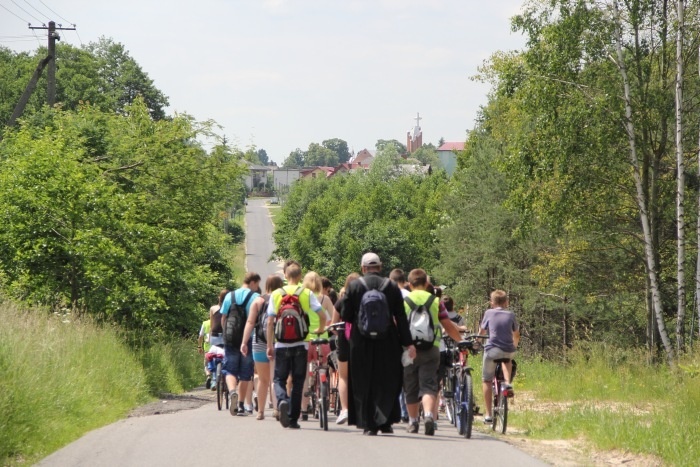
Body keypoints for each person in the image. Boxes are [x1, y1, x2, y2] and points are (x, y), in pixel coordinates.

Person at [337, 253, 415, 436]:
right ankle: (386, 421)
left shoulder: (355, 286)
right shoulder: (392, 287)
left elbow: (346, 315)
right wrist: (408, 343)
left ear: (363, 268)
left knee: (363, 380)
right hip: (388, 341)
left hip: (361, 341)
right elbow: (401, 317)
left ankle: (368, 424)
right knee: (387, 379)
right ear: (380, 267)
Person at [402, 268, 464, 436]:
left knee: (410, 385)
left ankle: (413, 422)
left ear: (409, 284)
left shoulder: (405, 301)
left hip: (409, 349)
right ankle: (429, 415)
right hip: (432, 348)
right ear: (427, 283)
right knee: (429, 384)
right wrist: (461, 341)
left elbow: (396, 325)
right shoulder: (436, 301)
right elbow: (448, 325)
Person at [266, 263, 326, 429]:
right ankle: (293, 419)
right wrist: (320, 329)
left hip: (281, 344)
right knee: (299, 381)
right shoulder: (306, 293)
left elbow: (270, 321)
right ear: (300, 277)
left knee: (279, 379)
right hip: (301, 343)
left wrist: (270, 343)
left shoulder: (277, 293)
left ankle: (282, 400)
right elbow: (322, 315)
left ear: (286, 276)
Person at [241, 274, 284, 420]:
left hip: (258, 341)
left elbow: (250, 322)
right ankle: (277, 409)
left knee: (262, 379)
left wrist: (243, 342)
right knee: (275, 379)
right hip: (277, 342)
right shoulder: (282, 299)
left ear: (266, 285)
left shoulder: (258, 301)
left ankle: (260, 411)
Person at [221, 272, 261, 416]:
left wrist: (227, 334)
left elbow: (223, 318)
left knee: (230, 369)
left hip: (230, 338)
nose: (257, 288)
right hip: (248, 339)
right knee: (245, 373)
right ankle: (241, 404)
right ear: (253, 282)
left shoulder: (229, 296)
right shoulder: (255, 297)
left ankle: (232, 392)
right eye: (257, 284)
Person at [479, 289, 520, 424]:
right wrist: (514, 346)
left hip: (492, 350)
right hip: (508, 349)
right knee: (507, 359)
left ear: (492, 303)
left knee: (486, 380)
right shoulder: (511, 315)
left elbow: (482, 332)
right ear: (506, 302)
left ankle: (489, 414)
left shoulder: (489, 313)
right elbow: (516, 334)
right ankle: (507, 383)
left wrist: (477, 343)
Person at [300, 271, 333, 420]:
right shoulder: (325, 299)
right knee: (324, 368)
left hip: (306, 340)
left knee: (305, 375)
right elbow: (332, 319)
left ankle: (304, 408)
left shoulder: (303, 299)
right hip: (322, 339)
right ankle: (323, 399)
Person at [331, 272, 359, 425]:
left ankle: (345, 409)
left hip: (344, 342)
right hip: (362, 343)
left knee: (343, 377)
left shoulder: (341, 302)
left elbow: (334, 326)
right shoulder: (365, 301)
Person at [197, 318, 212, 388]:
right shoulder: (222, 320)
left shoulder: (205, 323)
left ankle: (208, 376)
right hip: (219, 347)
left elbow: (200, 336)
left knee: (206, 365)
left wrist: (199, 347)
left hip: (207, 348)